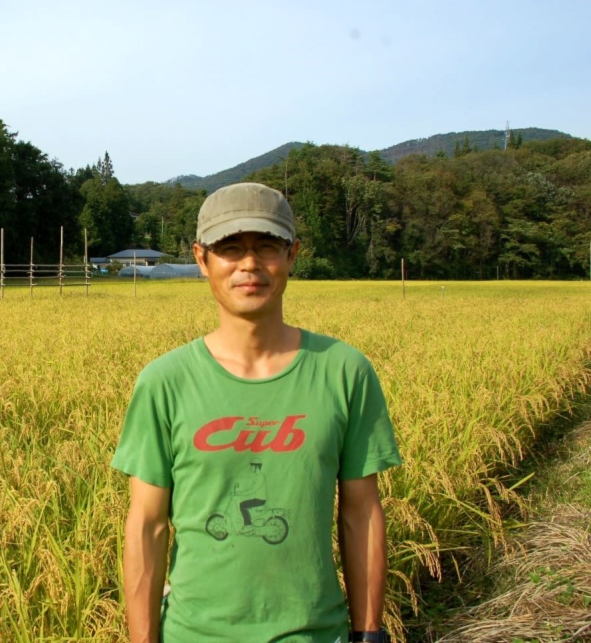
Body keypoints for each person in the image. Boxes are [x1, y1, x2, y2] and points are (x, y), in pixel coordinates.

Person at [111, 182, 402, 643]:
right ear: (202, 259)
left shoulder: (344, 372)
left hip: (315, 634)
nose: (250, 264)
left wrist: (369, 635)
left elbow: (361, 512)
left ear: (292, 255)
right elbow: (147, 525)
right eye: (230, 248)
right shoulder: (166, 381)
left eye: (267, 246)